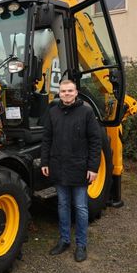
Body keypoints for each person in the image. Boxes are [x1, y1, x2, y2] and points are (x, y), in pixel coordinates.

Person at [41, 79, 101, 262]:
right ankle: (64, 240)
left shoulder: (86, 113)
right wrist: (45, 162)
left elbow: (95, 142)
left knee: (81, 208)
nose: (66, 94)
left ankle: (81, 245)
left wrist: (93, 167)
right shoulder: (53, 113)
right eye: (63, 91)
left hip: (79, 169)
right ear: (59, 94)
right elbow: (47, 139)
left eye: (69, 91)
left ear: (76, 93)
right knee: (62, 206)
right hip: (59, 168)